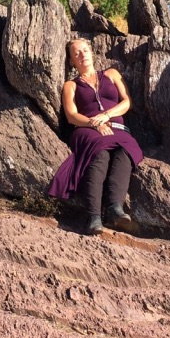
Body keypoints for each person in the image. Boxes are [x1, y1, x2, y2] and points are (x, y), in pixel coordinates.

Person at [48, 38, 143, 235]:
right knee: (100, 153)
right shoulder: (71, 85)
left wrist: (106, 116)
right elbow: (71, 115)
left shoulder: (111, 74)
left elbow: (127, 102)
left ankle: (115, 208)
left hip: (116, 127)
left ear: (92, 52)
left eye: (85, 50)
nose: (82, 55)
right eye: (77, 54)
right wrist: (94, 123)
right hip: (87, 129)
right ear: (72, 61)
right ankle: (93, 217)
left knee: (126, 151)